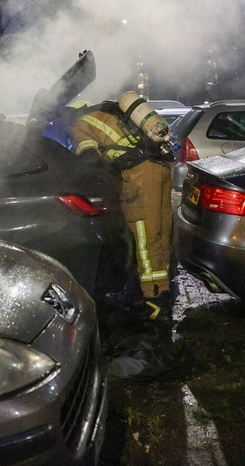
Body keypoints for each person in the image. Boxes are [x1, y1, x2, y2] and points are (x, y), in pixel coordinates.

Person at [69, 92, 175, 320]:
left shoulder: (80, 125)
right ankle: (163, 288)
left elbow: (90, 159)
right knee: (160, 231)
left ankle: (154, 300)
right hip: (161, 167)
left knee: (145, 236)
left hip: (139, 175)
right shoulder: (110, 113)